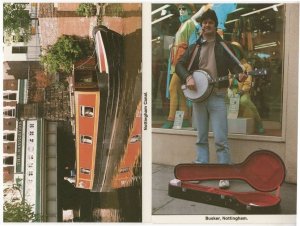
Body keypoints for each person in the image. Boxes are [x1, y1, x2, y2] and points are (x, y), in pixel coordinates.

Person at [175, 9, 247, 188]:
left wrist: (240, 75)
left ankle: (224, 173)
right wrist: (188, 77)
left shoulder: (224, 46)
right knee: (200, 137)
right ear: (202, 26)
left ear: (216, 26)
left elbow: (236, 66)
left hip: (217, 97)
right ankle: (201, 170)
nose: (207, 25)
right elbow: (179, 66)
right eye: (204, 22)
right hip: (199, 98)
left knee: (221, 138)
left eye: (210, 22)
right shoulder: (194, 47)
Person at [162, 4, 212, 129]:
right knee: (180, 90)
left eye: (184, 8)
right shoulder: (182, 25)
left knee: (172, 88)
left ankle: (171, 118)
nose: (181, 11)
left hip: (182, 62)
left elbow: (193, 44)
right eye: (180, 9)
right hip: (177, 62)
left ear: (190, 11)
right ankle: (184, 118)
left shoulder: (190, 23)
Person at [229, 42, 264, 134]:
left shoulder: (247, 66)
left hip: (242, 91)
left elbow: (248, 82)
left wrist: (242, 91)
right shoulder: (229, 65)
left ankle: (258, 122)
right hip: (231, 90)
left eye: (236, 51)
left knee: (244, 101)